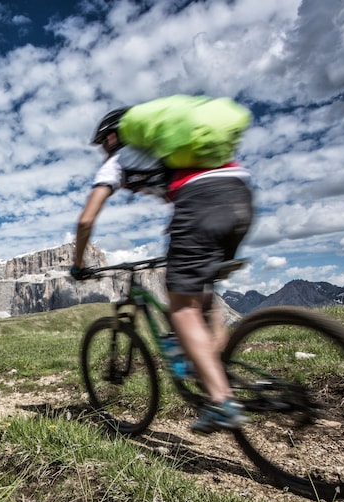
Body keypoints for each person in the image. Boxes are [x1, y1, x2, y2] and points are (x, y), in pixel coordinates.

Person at [71, 106, 254, 434]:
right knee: (203, 294)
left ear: (113, 137)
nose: (102, 151)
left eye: (102, 144)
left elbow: (86, 220)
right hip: (240, 194)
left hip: (201, 202)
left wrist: (78, 264)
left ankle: (221, 399)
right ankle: (215, 365)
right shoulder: (167, 151)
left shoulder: (120, 160)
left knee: (181, 309)